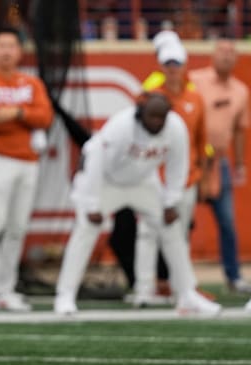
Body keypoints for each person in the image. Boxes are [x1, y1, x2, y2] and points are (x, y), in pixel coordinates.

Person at [53, 93, 221, 316]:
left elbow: (178, 165)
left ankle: (187, 294)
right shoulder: (121, 126)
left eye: (162, 117)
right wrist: (92, 203)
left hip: (143, 182)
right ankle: (65, 295)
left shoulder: (176, 128)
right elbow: (94, 158)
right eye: (152, 116)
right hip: (105, 181)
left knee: (172, 229)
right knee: (86, 230)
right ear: (140, 113)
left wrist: (171, 201)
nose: (157, 122)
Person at [0, 27, 53, 312]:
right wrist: (25, 114)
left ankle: (5, 288)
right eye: (1, 45)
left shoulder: (32, 82)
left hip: (28, 161)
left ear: (19, 51)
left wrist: (16, 112)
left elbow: (45, 117)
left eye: (11, 46)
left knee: (17, 228)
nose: (5, 51)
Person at [131, 43, 208, 306]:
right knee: (146, 233)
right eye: (168, 65)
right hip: (153, 177)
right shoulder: (150, 97)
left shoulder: (195, 99)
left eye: (177, 64)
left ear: (185, 66)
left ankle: (181, 289)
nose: (173, 70)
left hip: (185, 178)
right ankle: (143, 289)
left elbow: (201, 141)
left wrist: (203, 177)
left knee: (179, 235)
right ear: (162, 67)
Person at [189, 39, 251, 294]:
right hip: (193, 160)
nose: (226, 57)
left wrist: (239, 164)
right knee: (182, 220)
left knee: (227, 222)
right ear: (213, 55)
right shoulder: (195, 79)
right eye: (222, 52)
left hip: (219, 161)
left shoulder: (240, 90)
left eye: (231, 53)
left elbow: (239, 130)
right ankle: (179, 278)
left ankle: (233, 276)